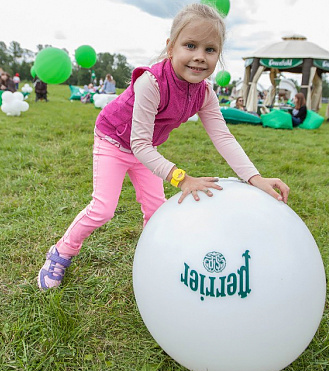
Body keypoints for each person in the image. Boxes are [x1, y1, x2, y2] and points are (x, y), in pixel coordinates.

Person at [37, 3, 290, 290]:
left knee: (156, 211)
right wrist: (181, 178)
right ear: (171, 47)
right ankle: (61, 253)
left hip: (145, 150)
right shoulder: (151, 82)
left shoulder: (206, 93)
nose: (199, 57)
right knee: (103, 209)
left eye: (210, 50)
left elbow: (223, 137)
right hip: (113, 141)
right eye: (190, 45)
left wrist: (254, 178)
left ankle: (151, 258)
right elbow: (139, 143)